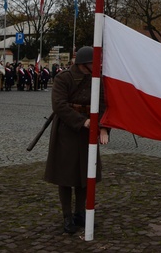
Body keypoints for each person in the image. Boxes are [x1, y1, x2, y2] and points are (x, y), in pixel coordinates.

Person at [44, 46, 110, 235]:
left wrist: (104, 127)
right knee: (65, 176)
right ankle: (67, 216)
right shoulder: (63, 78)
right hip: (67, 130)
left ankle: (80, 213)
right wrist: (82, 121)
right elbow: (59, 105)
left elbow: (104, 104)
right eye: (93, 62)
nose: (97, 65)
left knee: (85, 175)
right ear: (83, 63)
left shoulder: (97, 80)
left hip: (88, 133)